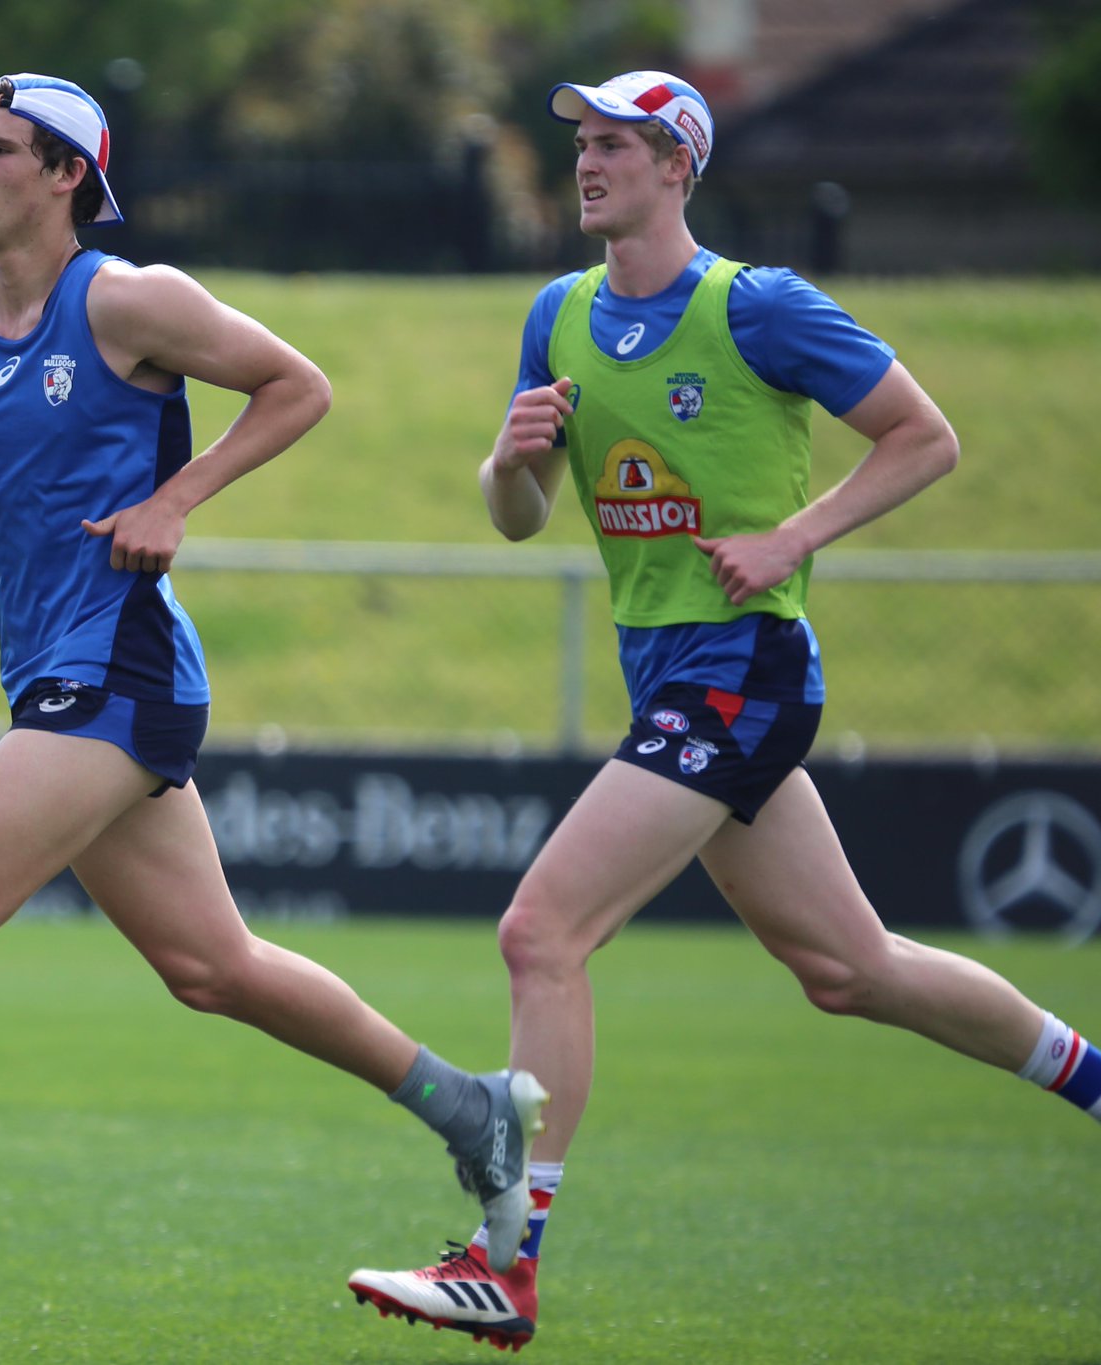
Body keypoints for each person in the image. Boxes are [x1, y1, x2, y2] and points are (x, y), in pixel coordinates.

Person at [0, 73, 545, 1340]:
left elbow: (298, 385)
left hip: (119, 665)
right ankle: (469, 1110)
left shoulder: (127, 299)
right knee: (211, 968)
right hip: (57, 672)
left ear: (65, 175)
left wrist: (178, 499)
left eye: (0, 149)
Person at [345, 71, 1101, 1354]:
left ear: (677, 165)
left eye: (615, 147)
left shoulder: (757, 305)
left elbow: (925, 438)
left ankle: (503, 1265)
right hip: (675, 682)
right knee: (848, 970)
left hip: (742, 670)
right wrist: (509, 463)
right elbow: (515, 518)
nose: (585, 163)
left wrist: (789, 538)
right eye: (578, 144)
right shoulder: (557, 313)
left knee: (539, 932)